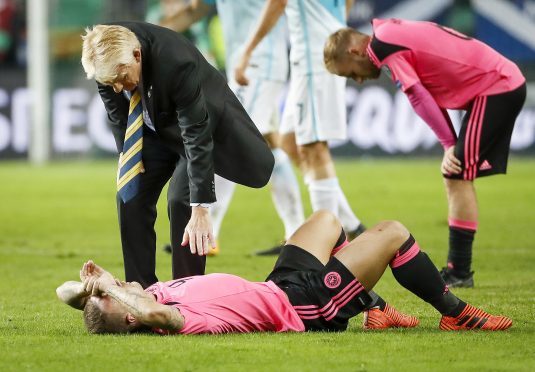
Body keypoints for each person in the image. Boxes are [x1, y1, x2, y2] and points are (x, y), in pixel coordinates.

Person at [57, 211, 512, 334]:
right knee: (392, 232)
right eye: (117, 290)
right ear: (132, 314)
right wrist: (113, 292)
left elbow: (65, 293)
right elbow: (155, 316)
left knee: (327, 221)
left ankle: (374, 307)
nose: (119, 281)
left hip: (278, 284)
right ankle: (454, 311)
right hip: (305, 305)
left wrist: (90, 288)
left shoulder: (151, 292)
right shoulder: (170, 319)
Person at [323, 18, 526, 288]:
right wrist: (450, 142)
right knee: (455, 174)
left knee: (455, 174)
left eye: (351, 74)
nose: (358, 80)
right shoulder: (387, 34)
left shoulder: (383, 47)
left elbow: (417, 95)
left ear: (354, 51)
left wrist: (448, 144)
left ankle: (459, 273)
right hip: (495, 84)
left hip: (496, 86)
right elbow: (424, 91)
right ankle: (458, 271)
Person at [81, 22, 274, 288]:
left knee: (182, 201)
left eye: (121, 78)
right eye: (109, 82)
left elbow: (195, 134)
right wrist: (128, 157)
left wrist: (201, 208)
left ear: (137, 56)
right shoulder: (105, 59)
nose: (117, 88)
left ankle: (188, 294)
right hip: (151, 128)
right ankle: (142, 292)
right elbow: (118, 116)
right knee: (130, 195)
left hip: (194, 126)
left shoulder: (175, 61)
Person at [160, 0, 306, 255]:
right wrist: (155, 32)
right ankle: (296, 235)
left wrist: (249, 52)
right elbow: (196, 9)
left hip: (257, 63)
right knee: (269, 144)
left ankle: (208, 233)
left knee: (225, 140)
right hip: (251, 63)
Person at [235, 0, 366, 248]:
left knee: (313, 148)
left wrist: (248, 49)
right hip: (319, 48)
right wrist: (334, 24)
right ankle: (350, 224)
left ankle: (327, 247)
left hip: (316, 55)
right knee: (290, 142)